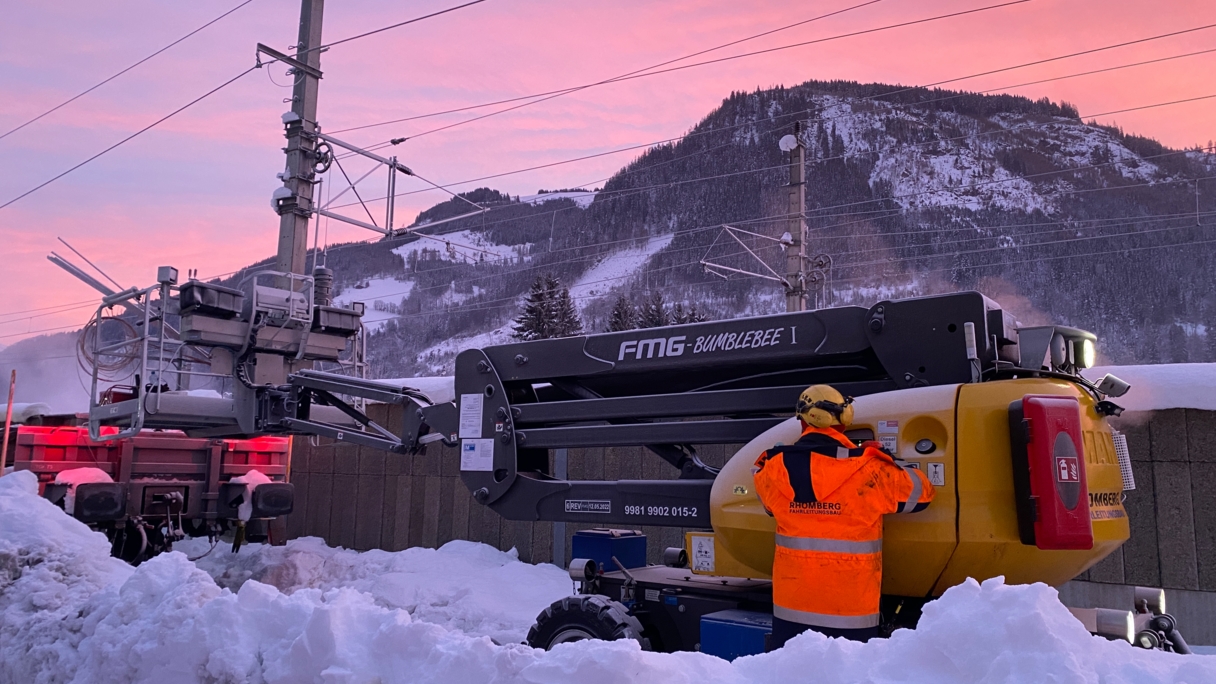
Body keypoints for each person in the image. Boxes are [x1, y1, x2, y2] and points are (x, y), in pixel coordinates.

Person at [753, 384, 935, 648]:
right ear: (845, 419)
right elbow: (923, 495)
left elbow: (770, 506)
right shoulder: (871, 468)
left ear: (803, 420)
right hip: (851, 617)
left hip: (790, 612)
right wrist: (890, 458)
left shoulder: (771, 467)